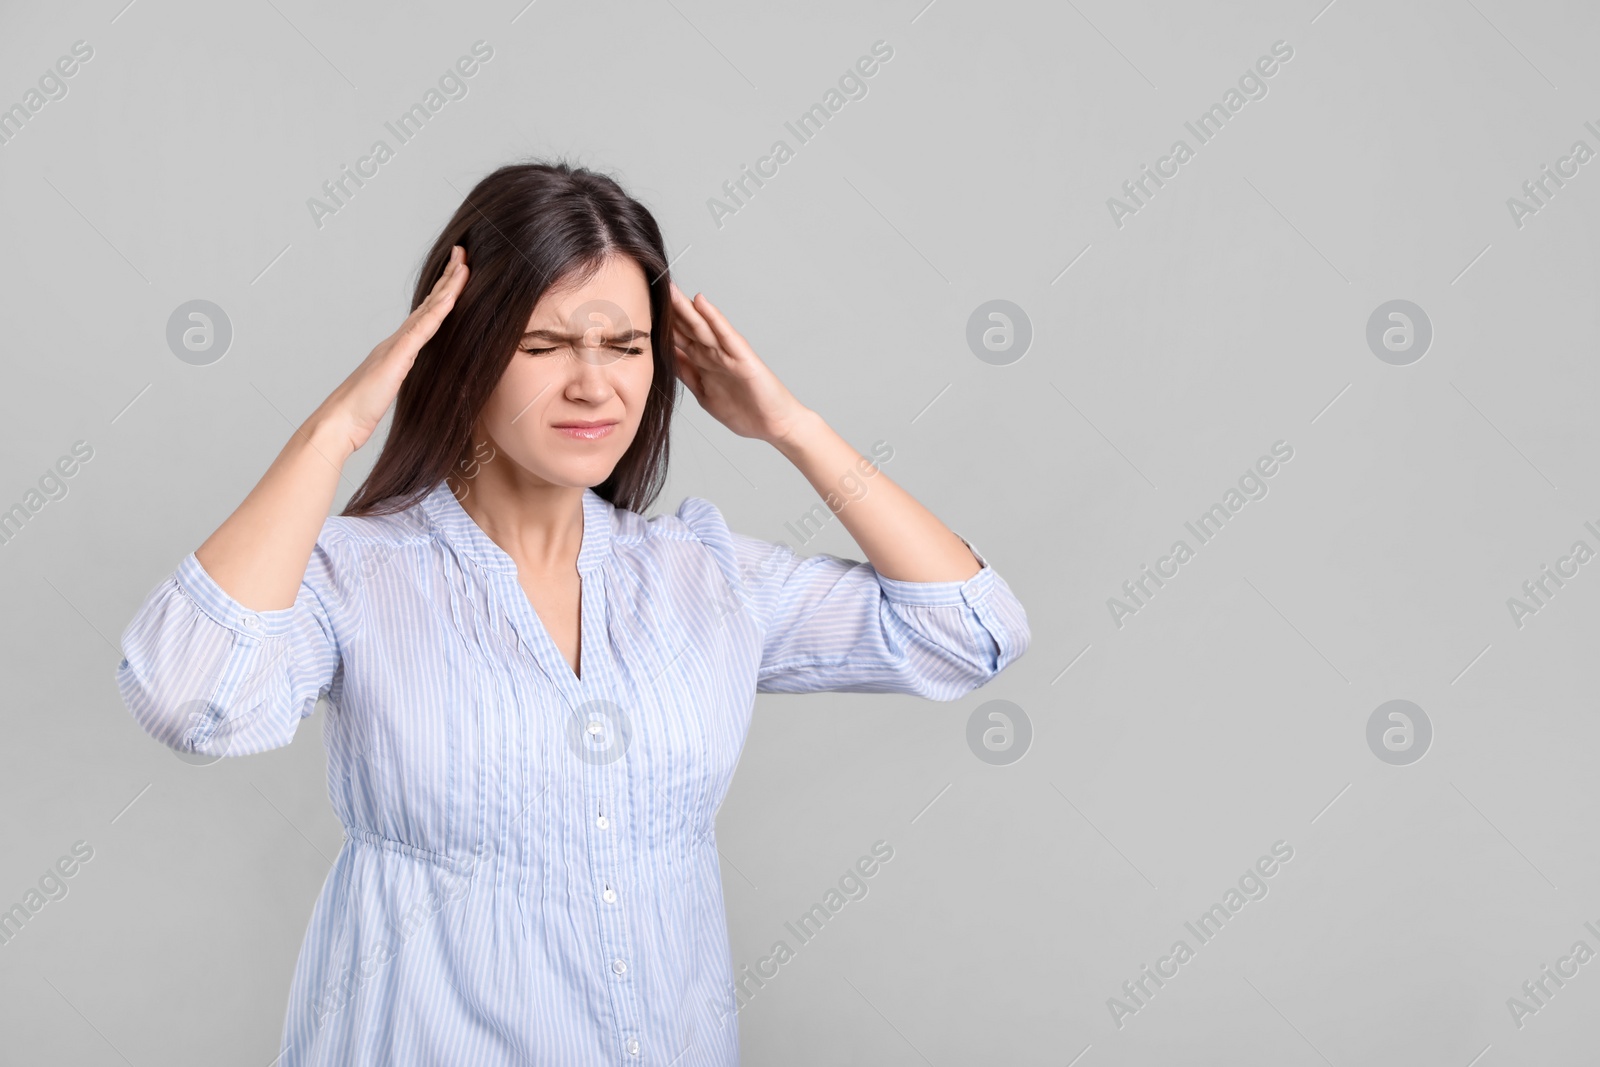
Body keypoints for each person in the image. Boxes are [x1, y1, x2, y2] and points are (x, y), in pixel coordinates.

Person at [115, 160, 1030, 1066]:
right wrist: (334, 431)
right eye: (544, 346)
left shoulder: (700, 572)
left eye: (626, 346)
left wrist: (791, 426)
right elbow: (191, 699)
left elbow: (969, 633)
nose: (595, 385)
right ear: (458, 351)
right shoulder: (352, 573)